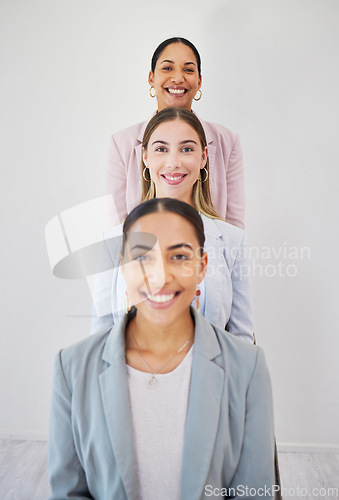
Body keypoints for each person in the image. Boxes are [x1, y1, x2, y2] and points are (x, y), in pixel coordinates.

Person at [49, 198, 276, 500]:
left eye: (179, 256)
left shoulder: (247, 367)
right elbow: (68, 492)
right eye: (143, 257)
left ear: (202, 266)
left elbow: (254, 493)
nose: (160, 277)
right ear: (122, 266)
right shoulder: (72, 368)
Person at [91, 108, 253, 342]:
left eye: (187, 149)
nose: (173, 162)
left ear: (204, 157)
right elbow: (100, 341)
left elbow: (242, 340)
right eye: (161, 149)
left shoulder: (232, 241)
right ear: (145, 157)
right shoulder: (113, 240)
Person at [107, 37, 245, 228]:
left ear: (199, 81)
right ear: (151, 78)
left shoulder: (227, 141)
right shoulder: (121, 143)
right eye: (167, 68)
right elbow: (116, 230)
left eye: (188, 69)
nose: (178, 78)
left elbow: (234, 228)